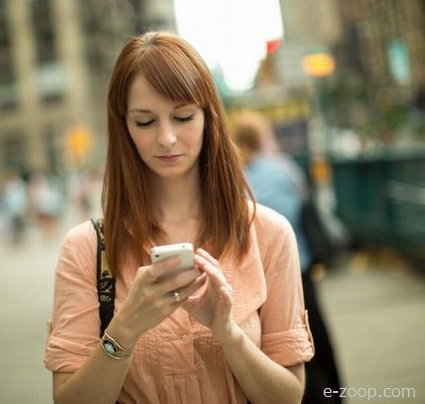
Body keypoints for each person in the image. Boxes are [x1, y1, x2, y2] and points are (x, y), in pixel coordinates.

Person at [45, 32, 314, 404]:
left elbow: (288, 396)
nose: (167, 138)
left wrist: (228, 332)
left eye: (183, 116)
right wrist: (125, 330)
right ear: (123, 126)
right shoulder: (85, 249)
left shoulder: (268, 233)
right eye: (145, 122)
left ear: (209, 118)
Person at [233, 110, 342, 404]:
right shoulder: (283, 167)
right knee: (317, 335)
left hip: (271, 274)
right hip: (302, 264)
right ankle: (335, 392)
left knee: (289, 346)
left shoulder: (244, 177)